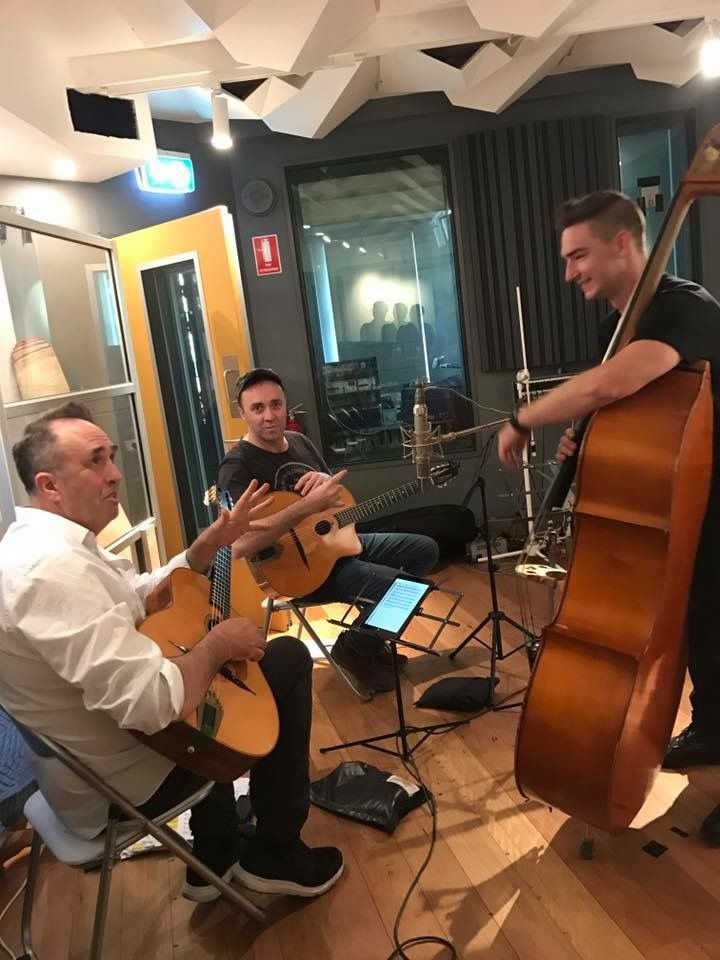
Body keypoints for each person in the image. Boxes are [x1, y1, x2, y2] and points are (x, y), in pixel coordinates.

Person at [0, 402, 345, 903]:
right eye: (95, 461)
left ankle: (214, 851)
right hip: (125, 782)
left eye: (111, 456)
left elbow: (138, 594)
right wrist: (219, 644)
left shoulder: (44, 547)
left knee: (212, 672)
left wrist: (208, 544)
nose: (115, 473)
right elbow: (153, 704)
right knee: (284, 658)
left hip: (100, 757)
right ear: (49, 485)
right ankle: (276, 851)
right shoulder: (50, 572)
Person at [496, 190, 720, 846]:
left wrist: (523, 419)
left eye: (579, 255)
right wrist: (589, 439)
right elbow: (629, 413)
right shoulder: (615, 328)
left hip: (715, 497)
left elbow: (610, 385)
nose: (569, 272)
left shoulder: (683, 308)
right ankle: (712, 731)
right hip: (678, 504)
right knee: (699, 628)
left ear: (623, 242)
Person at [218, 368, 440, 693]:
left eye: (276, 404)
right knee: (403, 589)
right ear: (243, 413)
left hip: (335, 546)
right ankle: (356, 651)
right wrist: (304, 508)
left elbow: (333, 498)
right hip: (298, 574)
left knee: (424, 550)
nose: (269, 415)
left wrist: (325, 482)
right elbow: (240, 544)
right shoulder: (237, 466)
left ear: (285, 405)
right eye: (258, 408)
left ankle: (365, 639)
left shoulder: (299, 442)